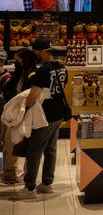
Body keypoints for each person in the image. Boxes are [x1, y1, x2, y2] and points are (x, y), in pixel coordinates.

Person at [10, 38, 68, 200]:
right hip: (59, 113)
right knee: (51, 149)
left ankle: (29, 188)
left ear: (42, 52)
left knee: (34, 151)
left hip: (44, 116)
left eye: (35, 51)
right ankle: (47, 184)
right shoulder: (63, 68)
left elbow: (33, 96)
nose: (34, 54)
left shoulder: (42, 71)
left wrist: (24, 110)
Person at [1, 48, 36, 185]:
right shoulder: (18, 73)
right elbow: (9, 88)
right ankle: (10, 170)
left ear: (25, 60)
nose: (16, 63)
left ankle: (25, 175)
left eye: (18, 60)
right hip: (15, 114)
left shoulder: (32, 74)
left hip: (27, 114)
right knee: (10, 141)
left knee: (25, 143)